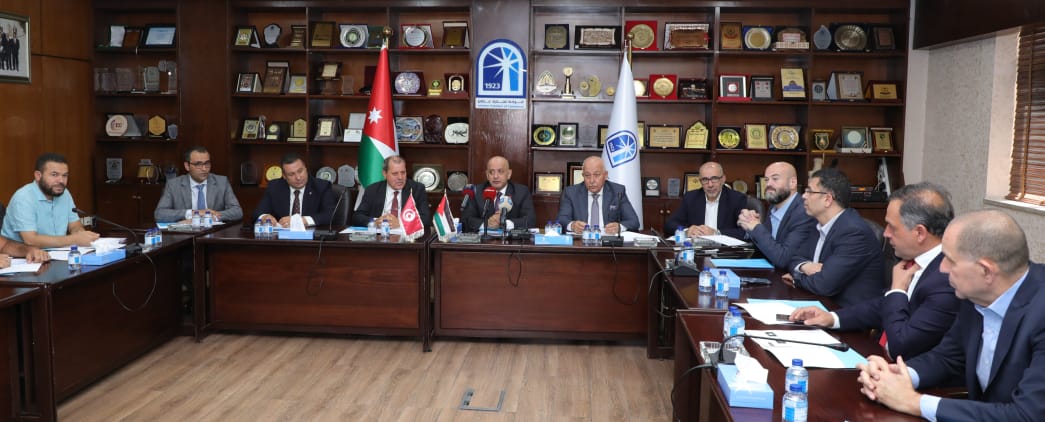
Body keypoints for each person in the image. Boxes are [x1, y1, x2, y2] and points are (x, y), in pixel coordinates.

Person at [857, 210, 1045, 421]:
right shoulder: (976, 292)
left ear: (985, 271)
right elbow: (948, 357)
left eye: (950, 260)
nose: (942, 269)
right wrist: (897, 375)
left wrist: (912, 402)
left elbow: (1027, 415)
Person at [790, 182, 960, 360]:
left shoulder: (946, 280)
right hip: (877, 357)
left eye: (892, 227)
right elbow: (883, 305)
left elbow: (900, 346)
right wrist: (832, 318)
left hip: (903, 368)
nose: (885, 233)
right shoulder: (914, 262)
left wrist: (897, 291)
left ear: (919, 233)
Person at [784, 167, 884, 308]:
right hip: (818, 303)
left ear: (827, 199)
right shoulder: (817, 224)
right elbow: (793, 257)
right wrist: (806, 266)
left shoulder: (853, 233)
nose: (803, 196)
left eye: (809, 191)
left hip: (846, 313)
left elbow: (823, 285)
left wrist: (797, 278)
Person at [2, 153, 100, 247]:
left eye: (64, 175)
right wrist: (73, 240)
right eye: (54, 174)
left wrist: (81, 234)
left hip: (57, 253)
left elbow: (75, 225)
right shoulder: (23, 197)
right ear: (38, 176)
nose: (61, 181)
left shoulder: (64, 193)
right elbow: (31, 240)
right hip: (23, 255)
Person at [737, 162, 818, 269]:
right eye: (766, 180)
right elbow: (766, 246)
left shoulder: (804, 212)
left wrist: (756, 227)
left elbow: (783, 259)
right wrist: (749, 223)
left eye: (775, 179)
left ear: (792, 183)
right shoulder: (773, 206)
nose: (768, 184)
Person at [154, 146, 243, 223]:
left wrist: (211, 216)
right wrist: (193, 213)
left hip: (214, 233)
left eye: (207, 163)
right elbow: (159, 214)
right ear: (187, 166)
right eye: (198, 164)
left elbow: (237, 211)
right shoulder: (173, 185)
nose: (204, 169)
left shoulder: (222, 182)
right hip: (186, 234)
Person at [556, 155, 639, 235]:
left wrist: (619, 227)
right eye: (587, 175)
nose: (592, 180)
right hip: (582, 241)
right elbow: (561, 219)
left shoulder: (617, 191)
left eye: (597, 175)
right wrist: (572, 225)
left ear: (605, 175)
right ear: (583, 175)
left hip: (608, 241)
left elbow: (634, 221)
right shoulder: (571, 193)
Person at [252, 152, 337, 227]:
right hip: (282, 237)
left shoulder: (321, 186)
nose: (298, 177)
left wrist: (303, 220)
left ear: (306, 168)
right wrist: (264, 217)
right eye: (291, 174)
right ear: (284, 176)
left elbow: (330, 215)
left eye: (300, 171)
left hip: (311, 237)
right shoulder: (275, 187)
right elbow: (257, 213)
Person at [665, 161, 748, 238]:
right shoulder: (691, 197)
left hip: (724, 247)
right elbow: (670, 224)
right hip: (697, 246)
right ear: (700, 181)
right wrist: (686, 231)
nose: (710, 185)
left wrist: (716, 233)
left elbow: (745, 232)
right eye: (705, 180)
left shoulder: (737, 199)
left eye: (714, 178)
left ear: (723, 179)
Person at [351, 155, 432, 229]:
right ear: (385, 174)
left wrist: (400, 223)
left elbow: (426, 219)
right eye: (395, 174)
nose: (400, 177)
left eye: (403, 172)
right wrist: (375, 222)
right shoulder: (373, 190)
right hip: (379, 235)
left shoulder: (417, 189)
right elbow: (357, 217)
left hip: (406, 236)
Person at [461, 156, 536, 232]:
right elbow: (465, 220)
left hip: (510, 239)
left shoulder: (521, 192)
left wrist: (504, 223)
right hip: (483, 239)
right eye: (491, 172)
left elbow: (530, 221)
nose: (495, 176)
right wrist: (486, 224)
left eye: (500, 171)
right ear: (487, 175)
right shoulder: (476, 191)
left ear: (509, 174)